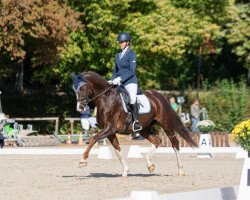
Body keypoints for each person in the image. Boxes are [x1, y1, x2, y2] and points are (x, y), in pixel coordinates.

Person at [108, 32, 142, 132]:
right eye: (119, 42)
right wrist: (112, 79)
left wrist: (120, 79)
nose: (120, 44)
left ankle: (136, 121)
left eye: (122, 42)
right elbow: (115, 71)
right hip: (119, 82)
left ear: (127, 42)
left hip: (130, 82)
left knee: (132, 98)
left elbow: (132, 71)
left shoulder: (132, 54)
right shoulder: (117, 55)